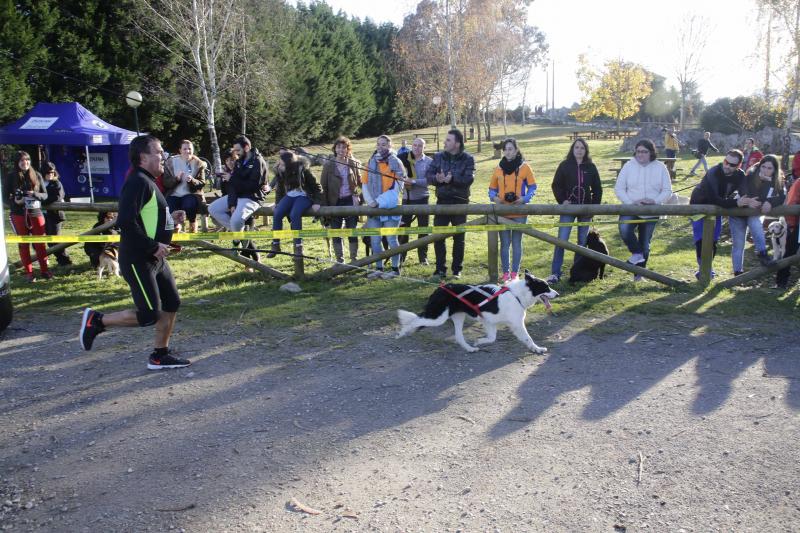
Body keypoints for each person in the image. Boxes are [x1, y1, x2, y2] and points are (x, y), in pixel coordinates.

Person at [79, 134, 191, 370]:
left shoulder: (150, 181)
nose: (164, 156)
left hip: (156, 258)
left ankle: (160, 355)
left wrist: (171, 220)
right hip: (139, 259)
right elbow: (127, 222)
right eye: (159, 152)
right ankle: (97, 320)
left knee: (172, 302)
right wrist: (152, 245)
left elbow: (148, 217)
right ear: (143, 157)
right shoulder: (138, 181)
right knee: (149, 313)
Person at [614, 139, 672, 281]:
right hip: (631, 208)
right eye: (638, 151)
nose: (640, 154)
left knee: (645, 243)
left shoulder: (660, 167)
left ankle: (639, 275)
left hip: (651, 211)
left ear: (651, 152)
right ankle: (637, 254)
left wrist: (655, 201)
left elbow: (667, 190)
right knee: (624, 230)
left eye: (644, 152)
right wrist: (631, 202)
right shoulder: (628, 166)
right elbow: (619, 188)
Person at [548, 138, 603, 283]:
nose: (579, 150)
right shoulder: (565, 166)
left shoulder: (591, 167)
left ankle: (577, 272)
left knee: (582, 242)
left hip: (586, 210)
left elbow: (597, 188)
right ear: (572, 149)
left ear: (586, 151)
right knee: (562, 240)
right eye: (577, 147)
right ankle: (555, 273)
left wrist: (593, 207)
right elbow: (556, 185)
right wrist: (562, 200)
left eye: (582, 148)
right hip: (568, 209)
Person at [689, 150, 747, 279]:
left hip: (718, 209)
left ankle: (705, 269)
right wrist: (736, 202)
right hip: (698, 206)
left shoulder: (740, 175)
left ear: (738, 166)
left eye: (732, 165)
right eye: (726, 162)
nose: (727, 166)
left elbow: (745, 193)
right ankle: (704, 271)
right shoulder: (713, 172)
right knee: (700, 240)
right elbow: (714, 198)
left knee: (713, 241)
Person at [425, 129, 475, 280]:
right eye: (445, 140)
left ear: (457, 144)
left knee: (459, 238)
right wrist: (437, 179)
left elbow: (469, 179)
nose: (445, 142)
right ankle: (440, 269)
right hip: (442, 202)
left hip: (460, 202)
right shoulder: (438, 156)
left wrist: (452, 180)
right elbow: (428, 176)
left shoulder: (468, 158)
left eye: (448, 140)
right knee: (438, 236)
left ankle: (456, 270)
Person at [488, 138, 537, 282]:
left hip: (520, 211)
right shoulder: (498, 169)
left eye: (510, 149)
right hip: (503, 211)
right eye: (506, 149)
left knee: (516, 242)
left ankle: (514, 273)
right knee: (505, 243)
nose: (508, 152)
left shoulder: (525, 167)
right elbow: (491, 189)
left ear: (516, 150)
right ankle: (505, 273)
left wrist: (524, 199)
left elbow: (533, 187)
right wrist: (495, 198)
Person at [730, 154, 785, 273]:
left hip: (754, 214)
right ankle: (737, 273)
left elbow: (782, 197)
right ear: (760, 166)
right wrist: (761, 182)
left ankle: (762, 253)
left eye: (769, 168)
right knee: (738, 245)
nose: (765, 170)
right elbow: (745, 192)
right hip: (738, 214)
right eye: (763, 167)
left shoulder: (777, 180)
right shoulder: (751, 174)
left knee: (755, 222)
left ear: (775, 169)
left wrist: (770, 202)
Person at [361, 135, 405, 279]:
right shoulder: (371, 162)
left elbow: (398, 187)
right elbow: (365, 183)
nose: (381, 147)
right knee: (375, 239)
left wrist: (379, 202)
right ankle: (378, 268)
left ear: (389, 145)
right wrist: (371, 202)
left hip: (390, 207)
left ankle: (395, 269)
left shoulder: (396, 162)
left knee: (391, 239)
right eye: (378, 144)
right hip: (373, 207)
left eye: (384, 144)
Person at [4, 151, 51, 282]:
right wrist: (16, 201)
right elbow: (5, 197)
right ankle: (29, 273)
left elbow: (45, 195)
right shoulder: (10, 176)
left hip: (36, 212)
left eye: (27, 160)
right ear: (17, 163)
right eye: (22, 161)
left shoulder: (37, 175)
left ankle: (44, 271)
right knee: (24, 244)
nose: (25, 163)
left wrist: (34, 194)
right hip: (18, 214)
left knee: (40, 243)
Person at [208, 135, 268, 234]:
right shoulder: (239, 161)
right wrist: (232, 204)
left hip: (252, 197)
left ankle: (238, 239)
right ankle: (241, 234)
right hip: (238, 196)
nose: (235, 153)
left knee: (236, 221)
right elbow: (232, 186)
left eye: (238, 150)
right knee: (213, 209)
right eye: (234, 150)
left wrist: (232, 179)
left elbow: (253, 186)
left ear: (247, 148)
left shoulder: (258, 161)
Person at [267, 150, 322, 257]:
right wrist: (277, 203)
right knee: (277, 213)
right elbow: (280, 190)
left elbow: (317, 187)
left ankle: (298, 246)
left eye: (282, 164)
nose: (280, 165)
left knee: (294, 214)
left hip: (304, 196)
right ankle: (275, 244)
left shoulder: (303, 169)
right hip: (289, 196)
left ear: (289, 163)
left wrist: (317, 202)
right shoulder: (281, 172)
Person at [319, 136, 361, 263]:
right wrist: (325, 207)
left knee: (352, 230)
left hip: (350, 201)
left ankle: (354, 260)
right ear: (335, 149)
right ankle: (340, 261)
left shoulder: (353, 163)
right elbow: (323, 186)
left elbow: (361, 183)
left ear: (348, 149)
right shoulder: (328, 165)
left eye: (344, 147)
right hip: (334, 202)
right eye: (339, 147)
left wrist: (359, 198)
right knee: (336, 232)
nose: (341, 149)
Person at [398, 137, 432, 266]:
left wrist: (414, 182)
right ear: (411, 146)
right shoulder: (403, 159)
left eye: (420, 146)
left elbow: (430, 181)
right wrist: (403, 180)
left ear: (424, 148)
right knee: (404, 228)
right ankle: (402, 255)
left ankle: (423, 257)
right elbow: (397, 176)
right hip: (406, 199)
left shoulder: (429, 162)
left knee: (423, 229)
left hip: (423, 198)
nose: (417, 148)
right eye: (415, 145)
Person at [162, 140, 207, 233]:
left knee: (189, 204)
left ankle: (192, 223)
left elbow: (202, 182)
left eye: (189, 149)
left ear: (193, 150)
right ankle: (172, 230)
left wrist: (192, 181)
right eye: (185, 149)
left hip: (190, 193)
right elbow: (165, 182)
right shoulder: (170, 162)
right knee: (169, 206)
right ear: (180, 150)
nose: (187, 151)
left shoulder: (198, 163)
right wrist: (176, 179)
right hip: (174, 193)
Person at [41, 161, 72, 266]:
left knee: (55, 239)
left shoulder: (57, 183)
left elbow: (58, 197)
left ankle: (65, 261)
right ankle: (60, 260)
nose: (50, 174)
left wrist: (41, 200)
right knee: (49, 241)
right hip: (43, 215)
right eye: (48, 172)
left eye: (52, 172)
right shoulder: (40, 184)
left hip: (55, 215)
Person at [775, 178, 800, 289]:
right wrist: (792, 224)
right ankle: (781, 282)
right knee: (789, 251)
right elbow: (791, 203)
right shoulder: (799, 182)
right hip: (798, 225)